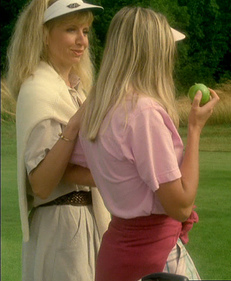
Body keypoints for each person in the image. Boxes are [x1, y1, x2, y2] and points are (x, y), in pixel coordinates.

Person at [71, 7, 219, 281]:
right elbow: (181, 206)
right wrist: (196, 129)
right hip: (152, 259)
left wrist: (120, 181)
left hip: (115, 254)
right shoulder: (144, 113)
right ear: (152, 52)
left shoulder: (98, 109)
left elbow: (73, 168)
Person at [6, 0, 109, 280]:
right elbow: (40, 183)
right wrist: (75, 124)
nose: (82, 41)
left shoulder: (76, 90)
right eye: (71, 29)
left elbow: (74, 166)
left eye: (85, 31)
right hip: (63, 228)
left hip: (88, 222)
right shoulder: (38, 90)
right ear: (44, 34)